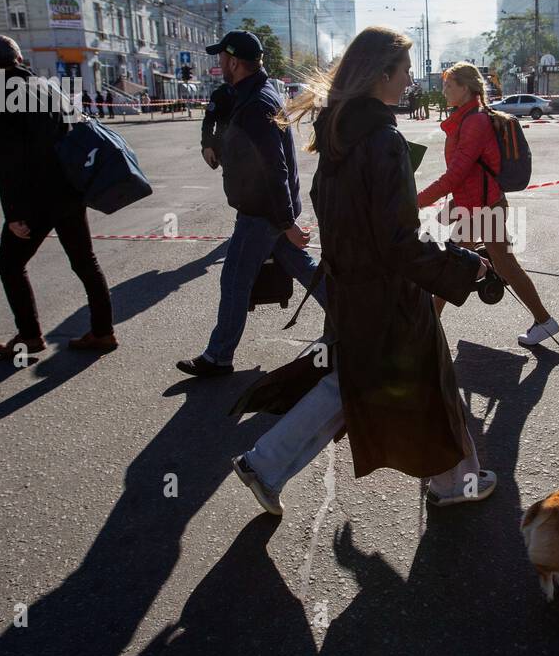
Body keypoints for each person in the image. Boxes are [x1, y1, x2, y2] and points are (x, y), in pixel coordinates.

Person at [230, 26, 497, 515]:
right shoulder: (382, 138)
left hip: (352, 285)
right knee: (415, 382)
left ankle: (266, 464)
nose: (410, 80)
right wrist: (466, 266)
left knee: (357, 381)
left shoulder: (338, 130)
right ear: (382, 74)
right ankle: (456, 481)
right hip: (388, 294)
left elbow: (359, 220)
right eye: (405, 71)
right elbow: (399, 240)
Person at [177, 30, 325, 377]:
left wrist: (286, 223)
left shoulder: (256, 103)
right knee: (304, 268)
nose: (219, 64)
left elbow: (275, 168)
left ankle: (218, 357)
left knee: (234, 281)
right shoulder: (256, 91)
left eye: (221, 59)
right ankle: (355, 322)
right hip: (270, 209)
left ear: (233, 62)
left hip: (263, 212)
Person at [0, 35, 115, 357]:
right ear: (18, 58)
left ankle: (29, 335)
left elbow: (7, 160)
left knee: (9, 263)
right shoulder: (46, 87)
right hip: (69, 192)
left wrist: (13, 212)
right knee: (86, 263)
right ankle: (103, 332)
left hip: (35, 199)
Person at [417, 62, 559, 347]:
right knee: (459, 264)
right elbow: (467, 176)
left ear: (466, 88)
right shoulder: (468, 118)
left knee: (499, 266)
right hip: (474, 205)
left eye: (448, 84)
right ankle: (428, 325)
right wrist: (451, 206)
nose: (443, 89)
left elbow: (455, 174)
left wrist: (414, 202)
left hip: (483, 208)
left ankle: (544, 320)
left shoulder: (475, 122)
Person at [199, 81, 233, 170]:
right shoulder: (220, 93)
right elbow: (208, 121)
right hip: (225, 147)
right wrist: (207, 146)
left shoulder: (252, 90)